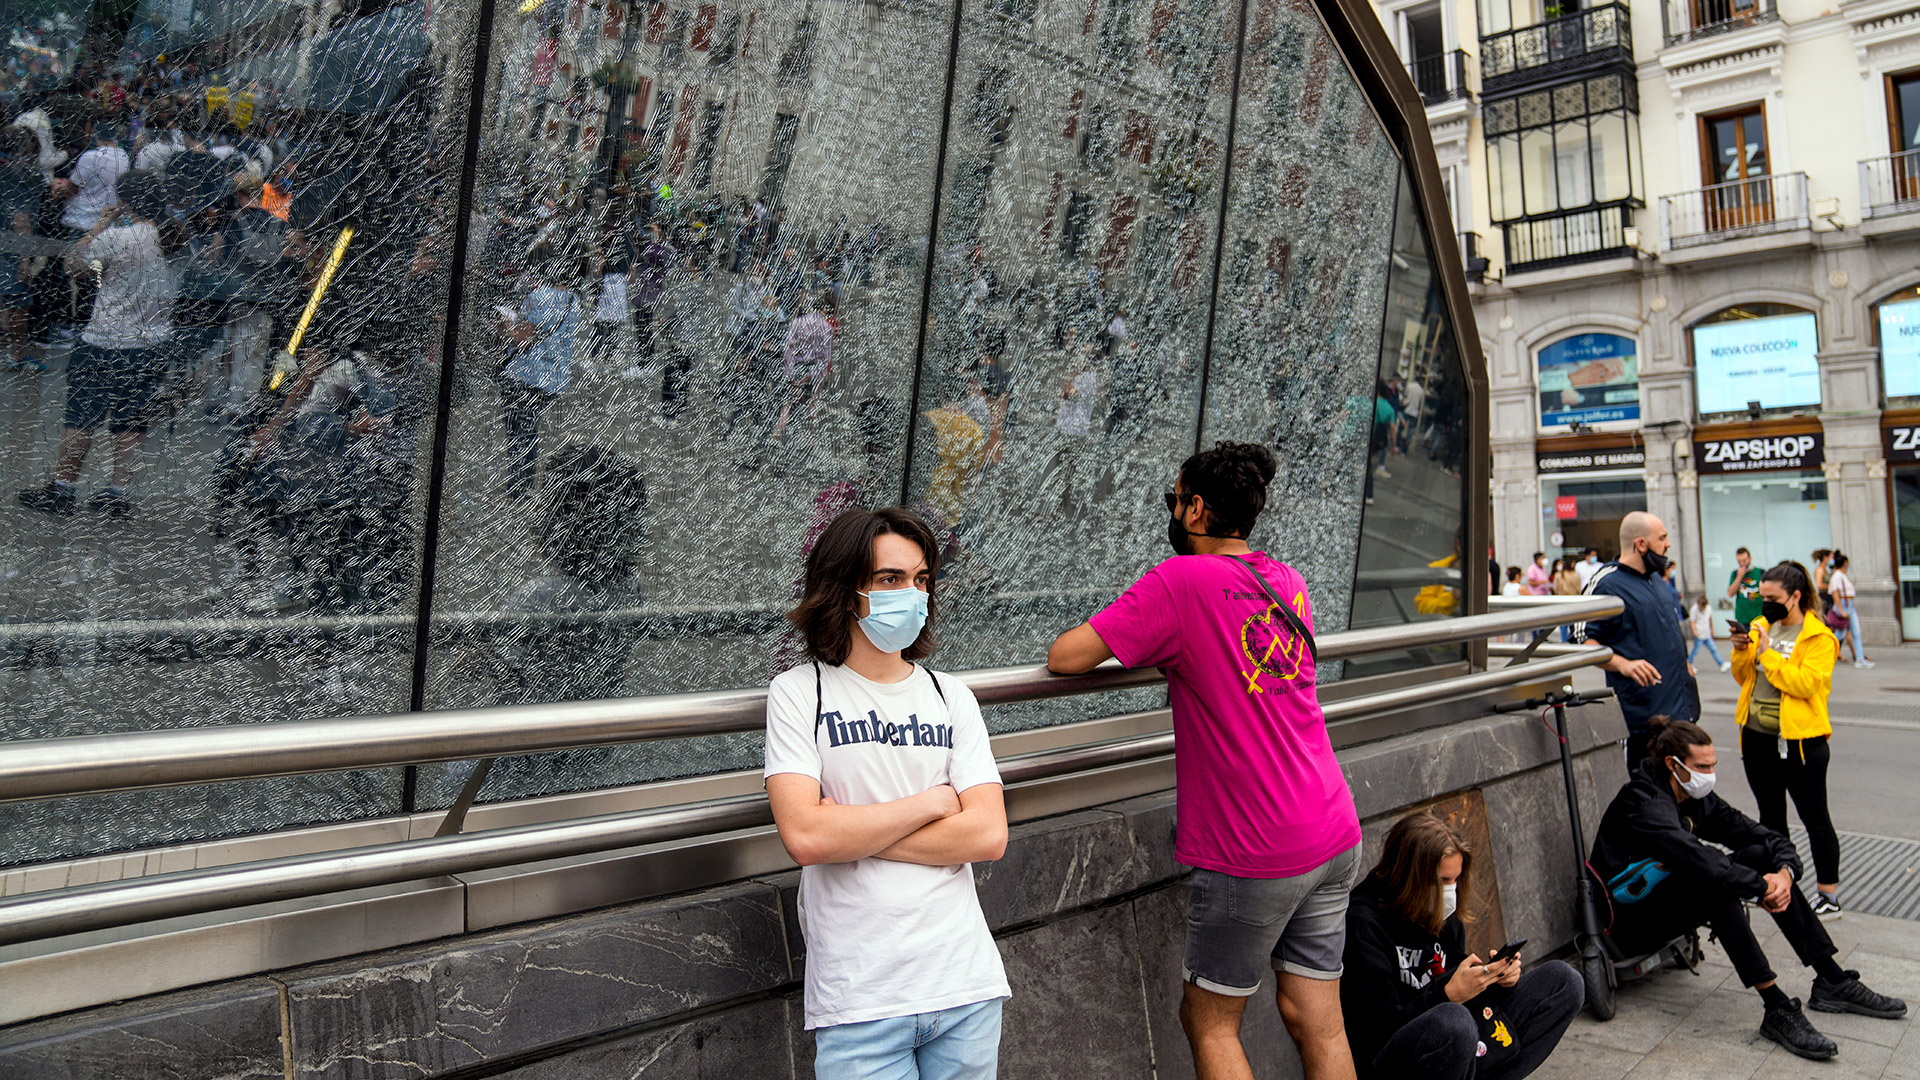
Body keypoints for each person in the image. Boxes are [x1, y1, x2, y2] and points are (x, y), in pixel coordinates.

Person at [1048, 441, 1363, 1080]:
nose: (1171, 511)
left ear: (1195, 509)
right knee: (1317, 1017)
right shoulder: (1287, 582)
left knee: (1210, 1019)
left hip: (1255, 846)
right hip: (1332, 826)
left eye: (1173, 499)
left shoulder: (1179, 582)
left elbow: (1067, 656)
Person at [764, 506, 1010, 1078]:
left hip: (964, 984)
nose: (912, 593)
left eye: (921, 580)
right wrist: (929, 804)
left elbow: (988, 834)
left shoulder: (952, 697)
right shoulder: (800, 694)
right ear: (846, 588)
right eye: (890, 579)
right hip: (862, 998)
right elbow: (804, 836)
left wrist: (850, 831)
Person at [1590, 717, 1905, 1061]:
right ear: (1673, 765)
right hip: (1630, 920)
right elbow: (1700, 860)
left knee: (1761, 856)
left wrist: (1784, 874)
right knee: (1715, 881)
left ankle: (1831, 979)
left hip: (1670, 894)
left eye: (1713, 764)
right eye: (1702, 766)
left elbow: (1762, 835)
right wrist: (1760, 888)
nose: (1710, 773)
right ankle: (1776, 1007)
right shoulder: (1645, 802)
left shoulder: (1695, 795)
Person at [1342, 813, 1582, 1080]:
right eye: (1444, 880)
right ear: (1410, 876)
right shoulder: (1363, 923)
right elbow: (1377, 1031)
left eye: (1455, 880)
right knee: (1454, 1023)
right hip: (1394, 1057)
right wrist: (1446, 995)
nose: (1451, 891)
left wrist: (1494, 978)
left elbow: (1456, 975)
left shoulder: (1441, 913)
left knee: (1564, 982)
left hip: (1456, 1042)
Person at [16, 174, 184, 517]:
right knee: (131, 421)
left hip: (106, 342)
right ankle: (117, 494)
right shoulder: (175, 236)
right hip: (153, 344)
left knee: (81, 417)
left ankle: (63, 491)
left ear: (126, 201)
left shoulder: (119, 237)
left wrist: (97, 227)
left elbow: (72, 265)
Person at [1729, 560, 1844, 919]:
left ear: (1795, 597)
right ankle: (1782, 883)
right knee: (1770, 818)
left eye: (1772, 597)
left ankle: (1828, 894)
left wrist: (1768, 655)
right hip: (1757, 737)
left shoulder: (1819, 638)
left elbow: (1805, 684)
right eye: (1762, 596)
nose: (1765, 604)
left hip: (1800, 742)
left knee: (1814, 818)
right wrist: (1742, 650)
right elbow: (1743, 678)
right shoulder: (1763, 626)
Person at [1572, 512, 1698, 765]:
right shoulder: (1605, 583)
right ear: (1640, 544)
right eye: (1662, 538)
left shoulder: (1658, 581)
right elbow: (1582, 640)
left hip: (1681, 715)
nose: (1668, 544)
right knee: (1645, 798)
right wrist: (1623, 664)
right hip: (1643, 722)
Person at [496, 258, 579, 500]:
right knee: (530, 427)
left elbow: (522, 339)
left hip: (526, 373)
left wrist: (504, 325)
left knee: (517, 429)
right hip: (554, 378)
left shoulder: (538, 297)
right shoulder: (574, 301)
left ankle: (518, 486)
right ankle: (527, 480)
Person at [1828, 553, 1873, 668]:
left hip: (1848, 605)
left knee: (1854, 633)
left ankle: (1860, 658)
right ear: (1845, 563)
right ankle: (1825, 653)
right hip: (1844, 605)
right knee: (1840, 634)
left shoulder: (1842, 575)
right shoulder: (1837, 576)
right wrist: (1841, 610)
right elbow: (1835, 594)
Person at [1688, 595, 1730, 673]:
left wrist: (1712, 630)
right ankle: (1689, 664)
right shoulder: (1694, 609)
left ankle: (1721, 664)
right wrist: (1694, 631)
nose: (1702, 608)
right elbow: (1692, 621)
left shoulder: (1708, 608)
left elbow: (1710, 619)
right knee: (1696, 650)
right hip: (1699, 633)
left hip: (1706, 633)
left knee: (1713, 649)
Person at [1728, 546, 1763, 629]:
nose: (1742, 564)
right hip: (1743, 618)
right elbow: (1730, 593)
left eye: (1744, 560)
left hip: (1759, 617)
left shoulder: (1760, 572)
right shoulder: (1735, 574)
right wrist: (1739, 577)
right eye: (1739, 561)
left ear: (1750, 558)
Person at [1811, 548, 1834, 613]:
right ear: (1825, 558)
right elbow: (1819, 585)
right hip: (1824, 597)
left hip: (1829, 596)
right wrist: (1831, 586)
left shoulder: (1826, 570)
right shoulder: (1819, 570)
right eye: (1831, 557)